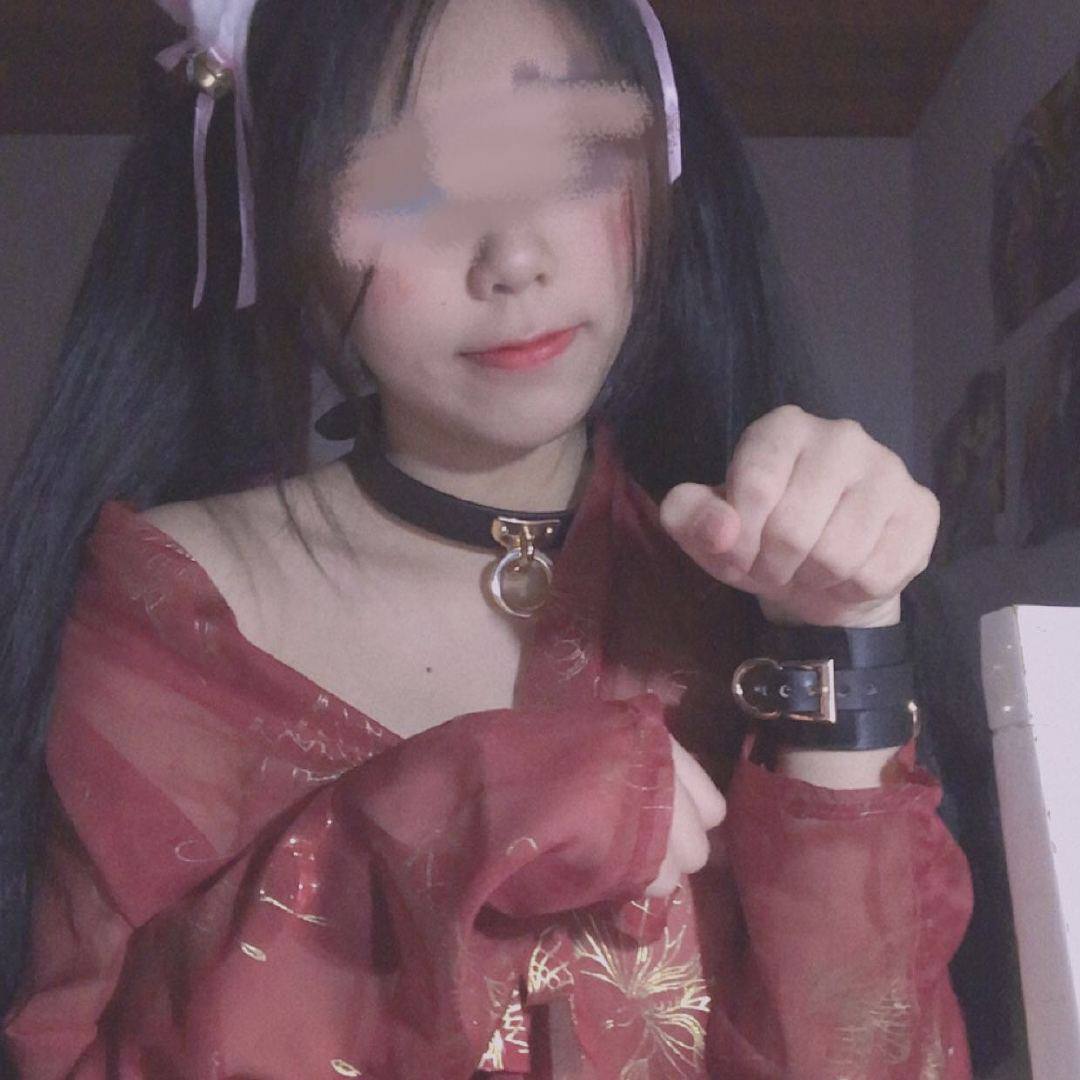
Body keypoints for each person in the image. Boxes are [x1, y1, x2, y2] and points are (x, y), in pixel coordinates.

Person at [0, 0, 973, 1076]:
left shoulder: (735, 577)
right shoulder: (178, 609)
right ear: (282, 218)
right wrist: (434, 829)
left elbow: (869, 1054)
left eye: (574, 156)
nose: (514, 257)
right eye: (407, 185)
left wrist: (842, 634)